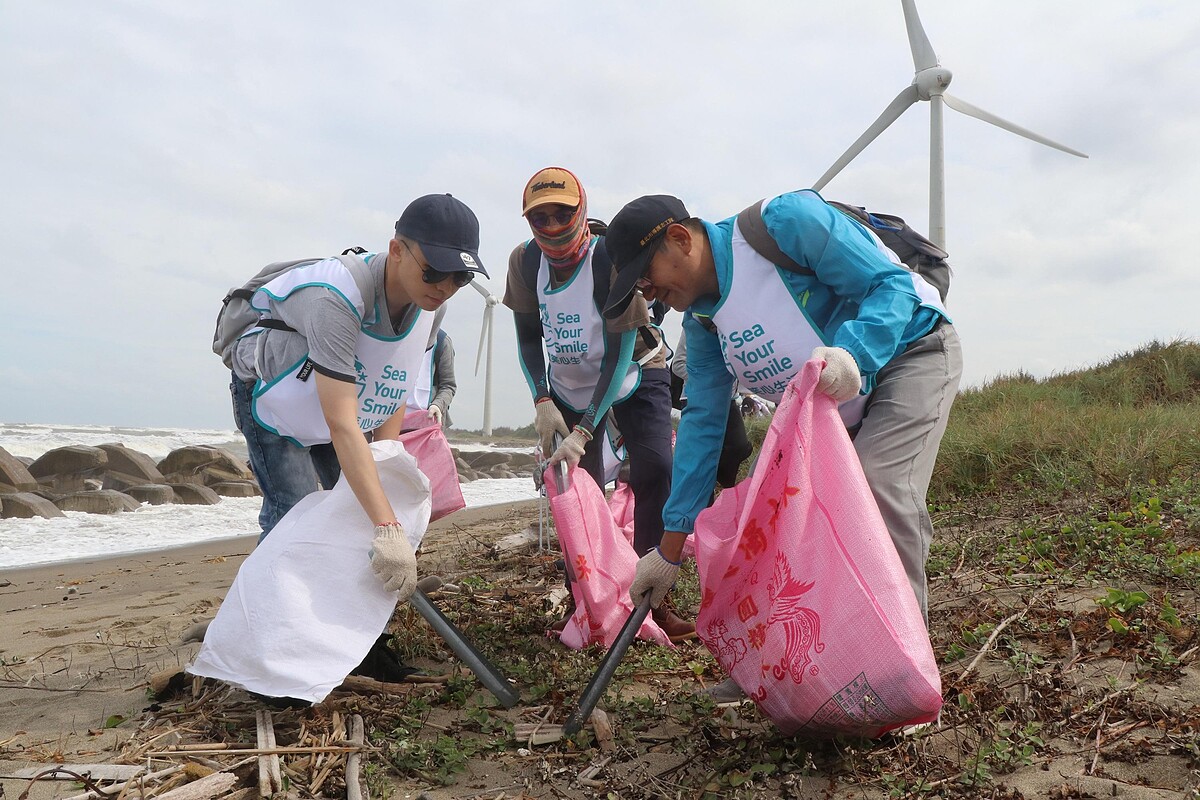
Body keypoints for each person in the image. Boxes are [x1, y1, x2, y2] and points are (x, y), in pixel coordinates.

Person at [603, 191, 962, 687]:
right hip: (835, 406)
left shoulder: (784, 224)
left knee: (878, 488)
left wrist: (854, 353)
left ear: (680, 239)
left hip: (911, 353)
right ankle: (782, 668)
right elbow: (703, 429)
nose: (649, 294)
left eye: (646, 279)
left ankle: (905, 668)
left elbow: (893, 287)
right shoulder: (704, 322)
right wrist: (667, 550)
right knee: (777, 518)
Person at [223, 193, 486, 601]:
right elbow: (342, 423)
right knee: (290, 514)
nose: (446, 288)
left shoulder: (430, 307)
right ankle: (250, 638)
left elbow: (394, 379)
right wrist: (388, 527)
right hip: (275, 394)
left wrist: (387, 480)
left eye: (461, 278)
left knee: (358, 512)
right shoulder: (336, 298)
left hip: (336, 397)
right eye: (435, 272)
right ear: (397, 250)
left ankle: (363, 636)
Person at [502, 167, 693, 642]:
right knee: (574, 492)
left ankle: (653, 601)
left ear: (581, 208)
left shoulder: (607, 258)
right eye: (540, 217)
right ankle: (585, 601)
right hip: (567, 385)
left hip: (633, 369)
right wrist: (542, 400)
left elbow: (617, 353)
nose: (552, 225)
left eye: (562, 213)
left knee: (655, 469)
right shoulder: (525, 264)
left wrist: (586, 429)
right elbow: (528, 338)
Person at [405, 329, 457, 428]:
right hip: (392, 420)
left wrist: (437, 405)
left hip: (428, 421)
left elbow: (448, 385)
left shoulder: (443, 341)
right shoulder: (396, 333)